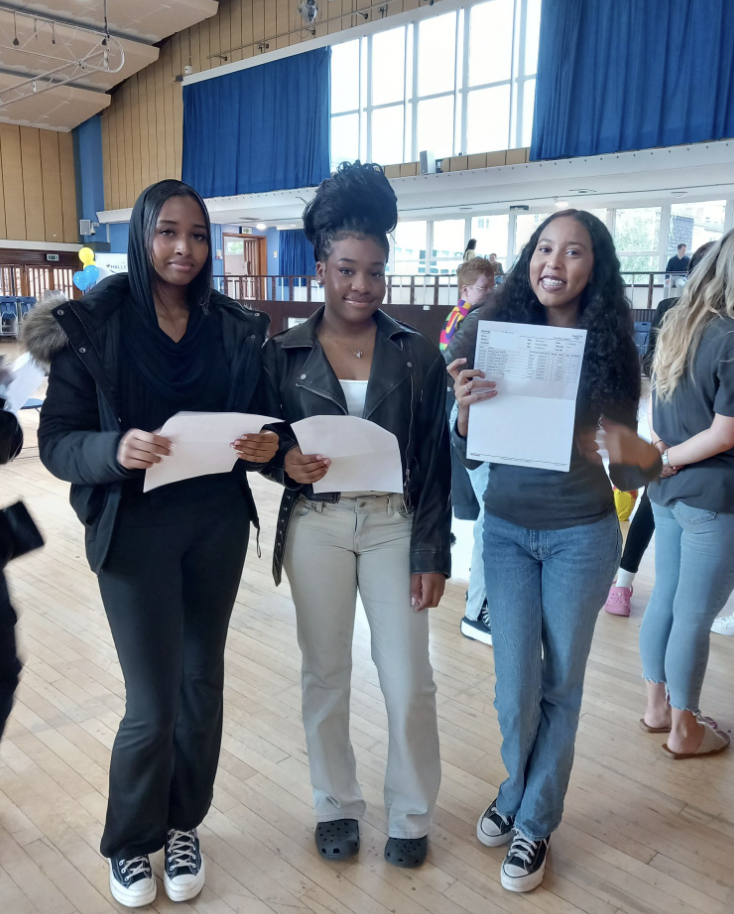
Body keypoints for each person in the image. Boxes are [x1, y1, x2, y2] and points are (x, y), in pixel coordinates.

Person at [25, 180, 279, 908]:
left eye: (198, 236)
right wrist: (115, 449)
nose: (183, 249)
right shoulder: (92, 324)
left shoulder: (231, 324)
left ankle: (183, 823)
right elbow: (59, 442)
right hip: (133, 532)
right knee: (152, 702)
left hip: (215, 525)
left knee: (203, 686)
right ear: (141, 236)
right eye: (168, 232)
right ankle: (131, 841)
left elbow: (264, 425)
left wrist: (267, 444)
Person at [451, 210, 661, 893]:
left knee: (561, 687)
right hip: (506, 532)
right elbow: (467, 440)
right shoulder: (491, 330)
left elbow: (632, 473)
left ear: (593, 268)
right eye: (544, 248)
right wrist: (462, 410)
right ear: (528, 258)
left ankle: (534, 820)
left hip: (581, 536)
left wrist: (634, 453)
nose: (554, 262)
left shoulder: (612, 348)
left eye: (573, 253)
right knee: (515, 688)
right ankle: (515, 788)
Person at [260, 162, 450, 869]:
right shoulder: (284, 354)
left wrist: (434, 550)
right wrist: (283, 461)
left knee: (408, 678)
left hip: (397, 524)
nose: (361, 286)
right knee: (326, 673)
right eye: (346, 269)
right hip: (317, 524)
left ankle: (410, 809)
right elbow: (261, 441)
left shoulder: (416, 356)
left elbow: (434, 461)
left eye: (375, 271)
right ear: (320, 267)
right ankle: (334, 803)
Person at [639, 232, 734, 759]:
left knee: (668, 603)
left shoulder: (678, 324)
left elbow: (656, 408)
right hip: (710, 494)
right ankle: (684, 729)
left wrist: (665, 455)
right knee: (694, 615)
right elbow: (725, 434)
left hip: (668, 490)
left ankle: (657, 708)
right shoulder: (733, 337)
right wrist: (672, 456)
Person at [605, 243, 714, 617]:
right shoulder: (673, 311)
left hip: (688, 437)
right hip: (673, 433)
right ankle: (622, 582)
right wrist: (659, 445)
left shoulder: (711, 321)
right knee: (654, 505)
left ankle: (629, 585)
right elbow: (656, 379)